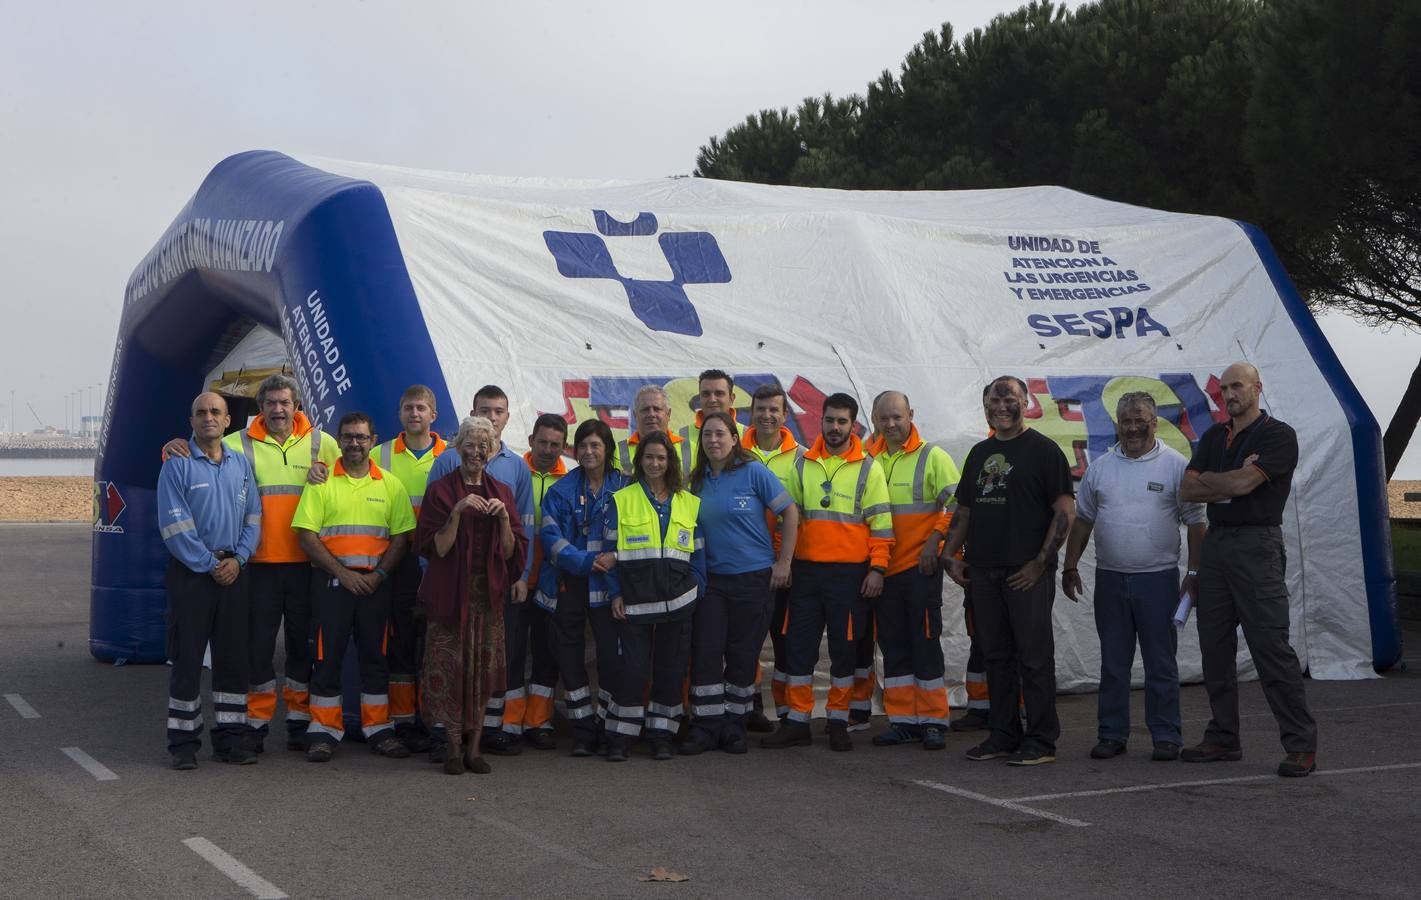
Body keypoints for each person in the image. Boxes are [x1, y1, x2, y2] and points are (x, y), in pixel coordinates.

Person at [162, 374, 338, 753]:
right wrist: (170, 446)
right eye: (270, 403)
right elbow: (196, 455)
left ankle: (297, 722)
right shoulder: (235, 444)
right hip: (255, 568)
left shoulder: (324, 444)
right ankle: (252, 726)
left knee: (300, 649)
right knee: (253, 651)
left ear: (297, 406)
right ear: (260, 407)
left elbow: (352, 480)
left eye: (285, 402)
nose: (278, 409)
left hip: (305, 566)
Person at [1178, 362, 1318, 777]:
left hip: (1258, 545)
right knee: (1214, 648)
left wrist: (1218, 482)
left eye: (1237, 385)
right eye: (1223, 388)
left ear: (1257, 388)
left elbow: (1240, 486)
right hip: (1217, 545)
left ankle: (1300, 745)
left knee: (1270, 648)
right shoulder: (1212, 437)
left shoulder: (1278, 435)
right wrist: (1233, 480)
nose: (1229, 393)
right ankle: (1223, 737)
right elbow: (1187, 488)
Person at [1062, 391, 1206, 762]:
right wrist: (1070, 565)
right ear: (1117, 425)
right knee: (1113, 663)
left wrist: (1193, 573)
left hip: (1158, 581)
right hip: (1111, 580)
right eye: (1126, 421)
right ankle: (1112, 734)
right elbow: (1083, 521)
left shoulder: (1176, 466)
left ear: (1154, 423)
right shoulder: (1101, 468)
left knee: (1161, 662)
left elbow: (1196, 523)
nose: (1133, 427)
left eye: (1140, 420)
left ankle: (1166, 736)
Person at [939, 376, 1074, 766]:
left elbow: (1064, 511)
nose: (1001, 407)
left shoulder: (1045, 452)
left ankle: (1041, 739)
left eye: (1009, 399)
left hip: (1025, 573)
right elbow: (964, 511)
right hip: (983, 573)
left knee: (1033, 657)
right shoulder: (980, 453)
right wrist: (950, 555)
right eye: (993, 401)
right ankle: (1002, 733)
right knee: (995, 656)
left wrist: (1039, 564)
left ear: (1026, 402)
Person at [762, 392, 893, 752]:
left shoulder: (870, 467)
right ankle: (798, 722)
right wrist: (783, 561)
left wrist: (877, 569)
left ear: (854, 425)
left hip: (850, 577)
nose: (834, 428)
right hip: (805, 575)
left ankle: (838, 719)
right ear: (820, 421)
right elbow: (787, 519)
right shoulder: (802, 464)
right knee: (799, 649)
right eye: (829, 420)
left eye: (842, 421)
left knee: (844, 651)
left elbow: (881, 526)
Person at [292, 411, 416, 762]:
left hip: (376, 586)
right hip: (332, 582)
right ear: (340, 440)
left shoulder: (390, 484)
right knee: (326, 658)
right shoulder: (322, 481)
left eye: (361, 437)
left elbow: (401, 537)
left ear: (373, 441)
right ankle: (323, 731)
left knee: (375, 658)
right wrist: (343, 573)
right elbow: (306, 535)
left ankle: (378, 729)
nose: (355, 443)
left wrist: (378, 576)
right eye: (348, 437)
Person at [426, 385, 534, 757]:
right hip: (450, 594)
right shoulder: (442, 489)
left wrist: (504, 518)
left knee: (481, 672)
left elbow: (511, 552)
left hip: (487, 595)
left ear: (491, 450)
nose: (475, 451)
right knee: (451, 671)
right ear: (459, 448)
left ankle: (474, 748)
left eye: (482, 445)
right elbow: (435, 546)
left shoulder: (503, 490)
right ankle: (452, 747)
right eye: (469, 444)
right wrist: (456, 512)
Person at [681, 412, 798, 755]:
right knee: (706, 653)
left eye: (721, 434)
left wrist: (784, 563)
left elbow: (789, 512)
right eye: (707, 435)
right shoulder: (696, 481)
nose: (713, 440)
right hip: (712, 582)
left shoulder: (754, 472)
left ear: (735, 439)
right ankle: (705, 727)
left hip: (754, 580)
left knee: (742, 656)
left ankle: (734, 728)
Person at [157, 392, 262, 769]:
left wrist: (239, 559)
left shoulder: (240, 464)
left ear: (228, 420)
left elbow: (253, 517)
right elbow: (174, 526)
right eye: (200, 412)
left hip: (235, 571)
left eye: (215, 412)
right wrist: (208, 563)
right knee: (187, 659)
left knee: (233, 658)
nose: (208, 417)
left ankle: (232, 741)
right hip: (192, 576)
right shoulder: (177, 464)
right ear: (192, 419)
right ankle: (183, 744)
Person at [865, 391, 962, 751]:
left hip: (920, 570)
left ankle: (934, 720)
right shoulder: (866, 458)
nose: (891, 424)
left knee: (924, 643)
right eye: (884, 418)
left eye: (897, 417)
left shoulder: (932, 456)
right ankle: (904, 720)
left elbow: (957, 502)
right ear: (874, 419)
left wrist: (935, 542)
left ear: (911, 415)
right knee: (893, 646)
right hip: (882, 570)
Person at [602, 431, 706, 761]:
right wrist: (615, 593)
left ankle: (662, 734)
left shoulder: (689, 502)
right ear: (640, 460)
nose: (655, 463)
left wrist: (696, 589)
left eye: (661, 457)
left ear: (670, 461)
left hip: (678, 605)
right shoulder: (622, 499)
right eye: (649, 457)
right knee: (632, 671)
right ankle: (621, 736)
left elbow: (699, 554)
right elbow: (609, 552)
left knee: (671, 670)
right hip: (633, 602)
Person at [537, 419, 629, 756]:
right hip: (569, 584)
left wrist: (615, 557)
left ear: (607, 450)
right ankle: (582, 728)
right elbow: (551, 539)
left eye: (596, 445)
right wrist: (588, 562)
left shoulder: (626, 488)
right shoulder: (560, 490)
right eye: (583, 446)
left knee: (610, 656)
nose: (589, 452)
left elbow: (636, 534)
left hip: (610, 586)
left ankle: (606, 724)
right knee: (570, 657)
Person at [369, 384, 446, 753]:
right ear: (400, 413)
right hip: (397, 560)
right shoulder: (379, 453)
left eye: (421, 408)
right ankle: (402, 722)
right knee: (400, 642)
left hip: (440, 563)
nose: (414, 413)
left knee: (435, 643)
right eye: (408, 408)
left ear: (434, 415)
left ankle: (435, 720)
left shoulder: (452, 453)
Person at [739, 382, 804, 730]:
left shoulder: (801, 458)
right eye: (760, 409)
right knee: (746, 642)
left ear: (784, 415)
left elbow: (800, 514)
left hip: (784, 568)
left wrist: (787, 561)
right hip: (746, 565)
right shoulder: (735, 454)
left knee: (785, 642)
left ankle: (786, 711)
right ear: (751, 413)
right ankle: (750, 707)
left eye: (774, 409)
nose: (766, 415)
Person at [513, 413, 569, 750]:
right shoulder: (514, 472)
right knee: (514, 654)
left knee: (547, 656)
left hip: (551, 583)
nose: (548, 450)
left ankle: (538, 722)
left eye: (555, 444)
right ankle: (510, 720)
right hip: (517, 582)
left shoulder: (572, 478)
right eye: (542, 442)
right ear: (531, 439)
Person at [617, 384, 694, 480]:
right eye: (645, 410)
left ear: (668, 414)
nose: (651, 414)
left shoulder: (692, 450)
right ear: (635, 415)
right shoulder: (616, 451)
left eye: (657, 409)